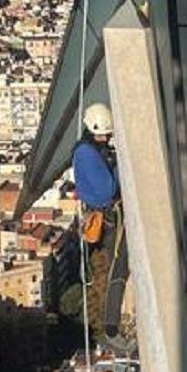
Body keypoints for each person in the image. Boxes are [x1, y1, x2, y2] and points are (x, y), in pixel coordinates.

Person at [72, 102, 129, 346]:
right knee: (119, 264)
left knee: (121, 264)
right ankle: (111, 328)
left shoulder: (89, 150)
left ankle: (112, 326)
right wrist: (118, 166)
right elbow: (107, 190)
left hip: (107, 215)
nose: (106, 137)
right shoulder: (87, 153)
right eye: (104, 134)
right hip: (108, 217)